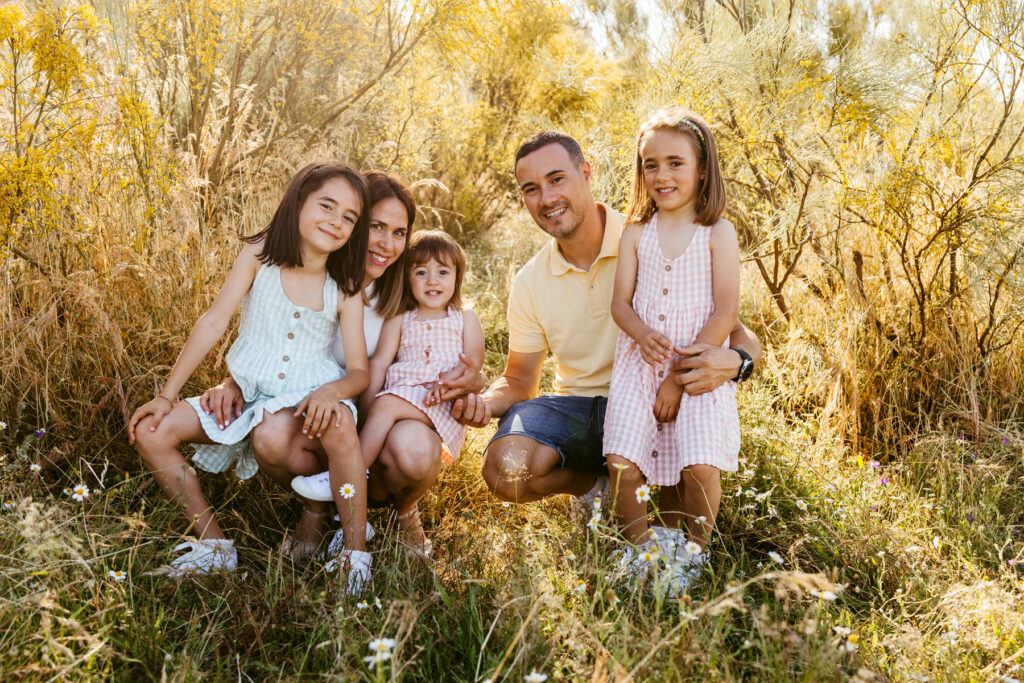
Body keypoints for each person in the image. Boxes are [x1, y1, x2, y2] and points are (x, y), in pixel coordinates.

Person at [450, 131, 759, 521]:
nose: (546, 199)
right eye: (531, 189)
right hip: (578, 411)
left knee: (675, 520)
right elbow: (520, 380)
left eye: (557, 178)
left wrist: (736, 362)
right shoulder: (529, 281)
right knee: (505, 470)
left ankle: (642, 492)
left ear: (585, 172)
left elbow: (735, 328)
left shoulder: (647, 235)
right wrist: (482, 402)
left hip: (656, 403)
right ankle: (595, 487)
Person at [200, 173, 484, 561]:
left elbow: (442, 344)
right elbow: (276, 342)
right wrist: (234, 381)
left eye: (399, 232)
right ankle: (317, 508)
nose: (388, 244)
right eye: (376, 227)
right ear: (352, 224)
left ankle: (402, 510)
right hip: (326, 423)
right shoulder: (317, 276)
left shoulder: (407, 291)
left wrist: (473, 377)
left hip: (385, 433)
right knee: (269, 435)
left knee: (416, 451)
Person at [128, 163, 371, 586]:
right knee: (152, 431)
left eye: (349, 217)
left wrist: (332, 391)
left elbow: (359, 371)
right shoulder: (260, 256)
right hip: (248, 395)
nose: (336, 221)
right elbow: (213, 322)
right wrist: (167, 396)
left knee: (339, 421)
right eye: (327, 206)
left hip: (304, 401)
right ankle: (215, 546)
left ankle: (354, 555)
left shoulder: (344, 286)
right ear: (298, 202)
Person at [604, 109, 739, 595]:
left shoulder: (716, 233)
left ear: (702, 169)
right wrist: (640, 332)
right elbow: (620, 303)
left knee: (699, 464)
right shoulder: (637, 233)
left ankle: (693, 556)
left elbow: (725, 312)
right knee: (622, 461)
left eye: (675, 163)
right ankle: (639, 552)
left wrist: (677, 376)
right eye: (650, 164)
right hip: (638, 365)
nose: (662, 175)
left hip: (697, 367)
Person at [292, 231, 485, 560]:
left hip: (441, 403)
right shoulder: (401, 318)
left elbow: (474, 363)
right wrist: (366, 405)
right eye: (421, 272)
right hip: (401, 396)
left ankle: (349, 476)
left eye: (443, 272)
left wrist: (452, 379)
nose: (432, 280)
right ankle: (356, 497)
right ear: (408, 279)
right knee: (384, 402)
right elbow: (380, 361)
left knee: (386, 403)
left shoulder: (464, 317)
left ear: (458, 277)